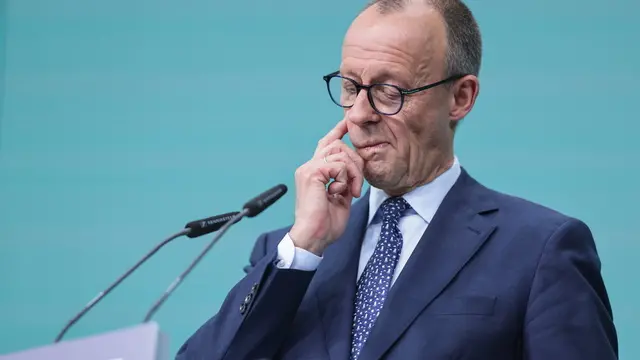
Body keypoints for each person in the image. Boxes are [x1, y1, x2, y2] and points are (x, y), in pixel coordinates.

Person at [176, 0, 618, 359]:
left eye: (391, 91)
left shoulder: (540, 249)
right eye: (351, 87)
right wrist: (304, 248)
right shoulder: (289, 256)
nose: (360, 114)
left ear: (460, 98)